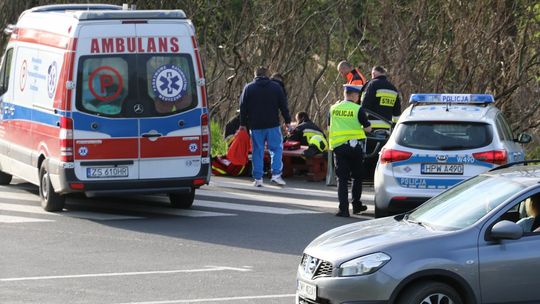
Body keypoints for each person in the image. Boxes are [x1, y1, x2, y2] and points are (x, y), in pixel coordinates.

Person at [239, 66, 291, 187]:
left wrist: (243, 124)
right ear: (267, 75)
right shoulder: (276, 87)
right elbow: (283, 106)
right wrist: (287, 121)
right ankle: (276, 175)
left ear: (255, 75)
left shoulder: (248, 88)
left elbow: (242, 108)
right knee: (276, 149)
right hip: (272, 124)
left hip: (255, 126)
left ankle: (258, 179)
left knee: (258, 151)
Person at [329, 84, 372, 217]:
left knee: (342, 179)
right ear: (354, 95)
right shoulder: (358, 109)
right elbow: (367, 128)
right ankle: (357, 205)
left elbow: (329, 125)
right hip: (355, 148)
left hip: (339, 147)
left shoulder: (333, 108)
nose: (358, 98)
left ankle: (343, 209)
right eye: (358, 95)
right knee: (356, 177)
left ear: (345, 94)